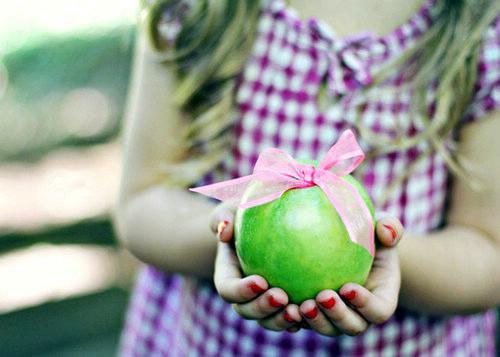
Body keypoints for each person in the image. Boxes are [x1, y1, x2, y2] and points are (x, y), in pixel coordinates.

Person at [115, 0, 500, 355]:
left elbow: (489, 253)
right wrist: (229, 236)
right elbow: (140, 204)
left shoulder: (481, 26)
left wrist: (378, 253)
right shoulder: (199, 10)